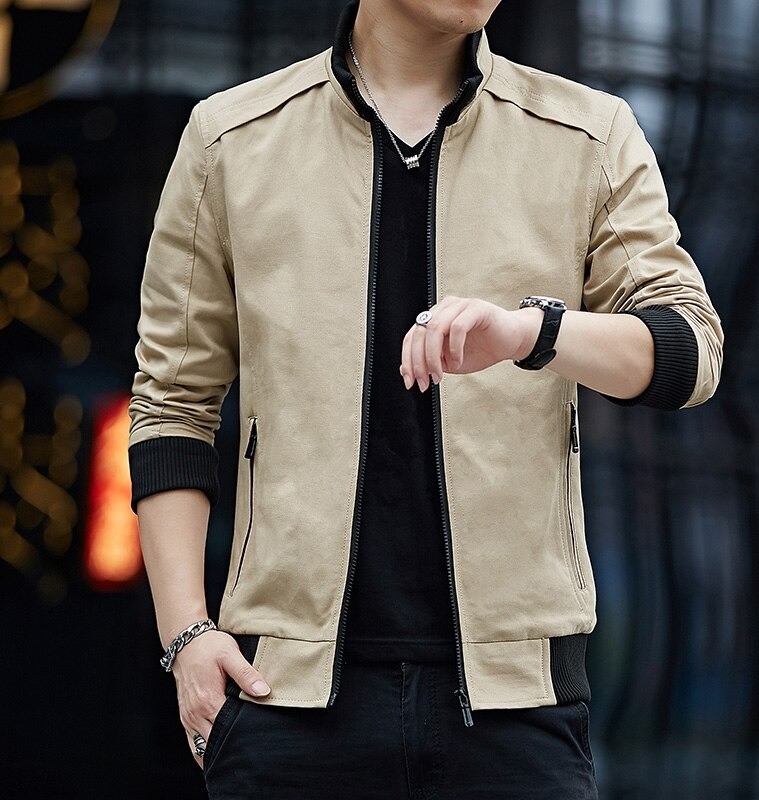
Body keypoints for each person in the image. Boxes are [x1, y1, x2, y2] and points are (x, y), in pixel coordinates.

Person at [127, 0, 723, 797]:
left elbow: (690, 352)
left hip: (517, 709)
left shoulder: (585, 135)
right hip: (286, 705)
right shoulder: (231, 139)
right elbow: (173, 404)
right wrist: (187, 638)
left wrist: (531, 333)